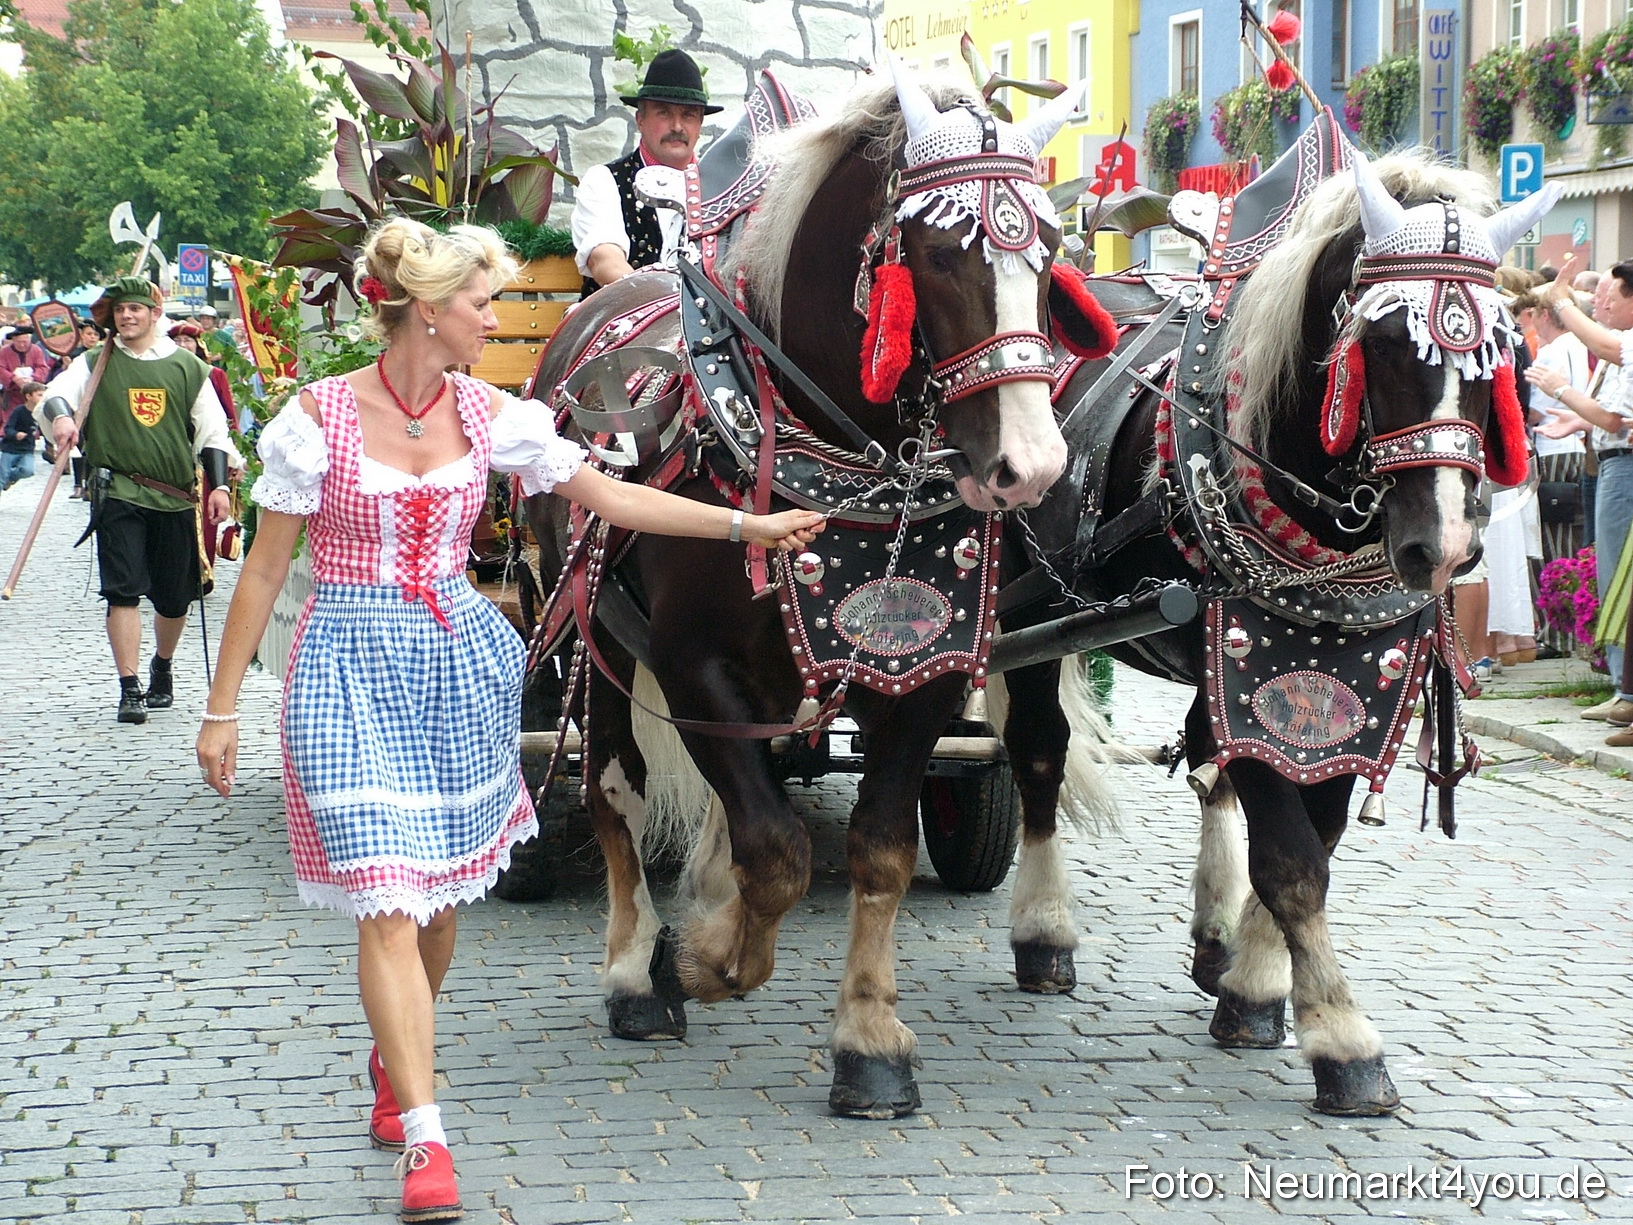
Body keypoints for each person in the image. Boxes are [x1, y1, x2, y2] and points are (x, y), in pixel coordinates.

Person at [193, 218, 822, 1224]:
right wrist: (222, 710)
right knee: (387, 900)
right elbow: (266, 567)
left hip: (456, 668)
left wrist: (747, 522)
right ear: (427, 311)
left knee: (436, 908)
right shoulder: (312, 420)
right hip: (346, 665)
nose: (494, 319)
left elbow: (610, 497)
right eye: (482, 304)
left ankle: (396, 1046)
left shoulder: (495, 415)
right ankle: (427, 1139)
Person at [38, 278, 237, 724]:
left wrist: (219, 486)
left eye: (136, 309)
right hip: (118, 491)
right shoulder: (96, 362)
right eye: (121, 310)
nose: (128, 316)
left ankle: (161, 668)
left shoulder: (186, 367)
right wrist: (64, 420)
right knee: (123, 591)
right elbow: (54, 395)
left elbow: (213, 431)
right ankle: (129, 688)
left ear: (153, 313)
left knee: (173, 598)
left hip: (174, 497)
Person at [1530, 255, 1633, 725]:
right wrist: (1576, 416)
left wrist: (1560, 390)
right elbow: (1614, 414)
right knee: (1612, 575)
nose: (1601, 306)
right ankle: (1622, 687)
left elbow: (1614, 417)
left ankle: (1625, 691)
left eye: (1609, 297)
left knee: (1619, 579)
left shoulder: (1622, 343)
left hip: (1623, 467)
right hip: (1610, 461)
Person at [570, 47, 721, 298]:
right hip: (628, 325)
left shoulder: (721, 187)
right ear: (640, 119)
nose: (677, 126)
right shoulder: (605, 181)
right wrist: (662, 309)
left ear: (700, 123)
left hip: (706, 331)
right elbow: (604, 260)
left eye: (688, 115)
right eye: (663, 113)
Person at [1521, 291, 1591, 657]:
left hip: (1554, 450)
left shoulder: (1551, 352)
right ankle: (1571, 633)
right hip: (1575, 447)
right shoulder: (1578, 345)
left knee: (1556, 549)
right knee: (1570, 543)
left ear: (1544, 315)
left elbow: (1536, 412)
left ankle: (1561, 636)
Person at [1, 380, 44, 491]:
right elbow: (8, 428)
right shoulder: (19, 411)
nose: (42, 397)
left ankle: (10, 479)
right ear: (28, 396)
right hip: (10, 449)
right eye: (39, 395)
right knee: (2, 474)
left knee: (28, 470)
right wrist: (16, 434)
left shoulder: (40, 412)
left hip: (27, 449)